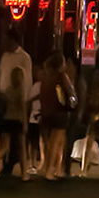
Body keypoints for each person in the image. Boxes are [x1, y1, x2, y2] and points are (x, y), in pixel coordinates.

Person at [0, 31, 31, 179]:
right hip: (5, 99)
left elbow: (27, 81)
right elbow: (0, 76)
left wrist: (26, 98)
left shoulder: (24, 58)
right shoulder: (5, 57)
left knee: (12, 141)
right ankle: (11, 168)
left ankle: (5, 166)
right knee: (12, 141)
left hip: (15, 100)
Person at [34, 52, 72, 181]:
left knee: (50, 141)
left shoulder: (45, 77)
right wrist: (72, 102)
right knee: (57, 142)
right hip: (60, 111)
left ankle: (52, 168)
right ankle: (51, 170)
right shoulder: (61, 77)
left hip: (47, 112)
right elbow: (70, 92)